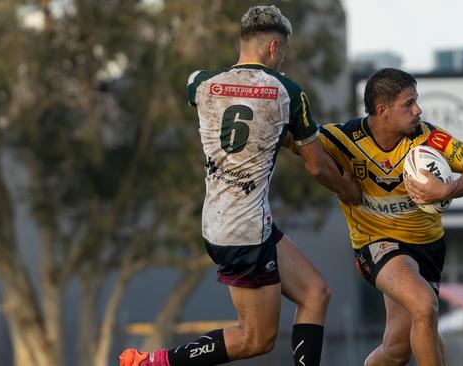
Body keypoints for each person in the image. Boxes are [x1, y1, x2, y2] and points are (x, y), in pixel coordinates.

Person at [119, 5, 361, 366]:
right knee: (256, 339)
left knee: (315, 293)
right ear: (275, 47)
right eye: (285, 50)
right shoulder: (287, 92)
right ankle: (151, 363)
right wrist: (350, 191)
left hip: (224, 222)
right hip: (245, 233)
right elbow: (316, 167)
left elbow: (196, 88)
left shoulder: (201, 83)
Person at [306, 68, 463, 366]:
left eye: (416, 101)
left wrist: (446, 189)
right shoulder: (343, 138)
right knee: (424, 306)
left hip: (428, 248)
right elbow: (298, 142)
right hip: (377, 244)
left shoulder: (429, 139)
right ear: (382, 110)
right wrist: (341, 184)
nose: (418, 109)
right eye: (409, 103)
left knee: (396, 350)